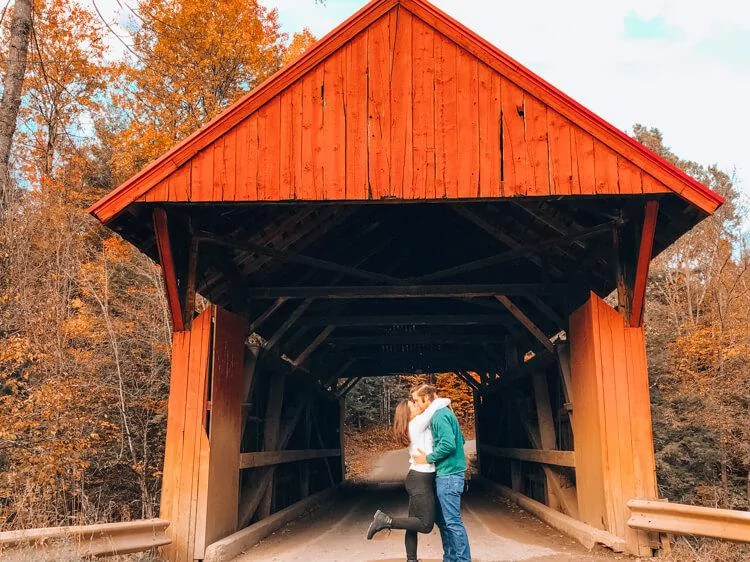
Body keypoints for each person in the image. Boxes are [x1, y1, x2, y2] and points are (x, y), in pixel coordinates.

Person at [366, 395, 451, 562]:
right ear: (408, 413)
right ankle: (385, 520)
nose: (415, 404)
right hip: (420, 480)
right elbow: (443, 402)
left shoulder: (417, 424)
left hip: (417, 478)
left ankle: (411, 559)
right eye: (413, 404)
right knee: (425, 525)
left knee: (413, 522)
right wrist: (431, 398)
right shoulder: (416, 424)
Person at [411, 384, 471, 562]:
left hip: (449, 476)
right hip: (449, 474)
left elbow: (449, 444)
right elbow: (461, 438)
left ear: (427, 399)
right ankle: (451, 558)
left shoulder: (438, 417)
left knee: (452, 522)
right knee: (444, 521)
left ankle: (462, 559)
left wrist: (428, 458)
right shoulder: (445, 413)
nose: (416, 405)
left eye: (417, 401)